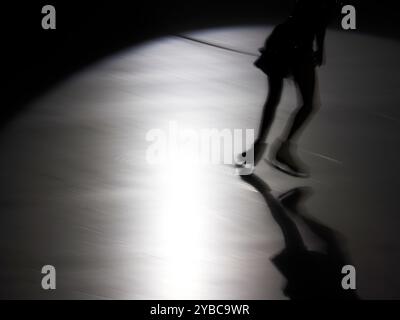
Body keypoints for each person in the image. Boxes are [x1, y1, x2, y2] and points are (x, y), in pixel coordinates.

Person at [245, 0, 338, 177]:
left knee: (273, 99)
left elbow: (310, 15)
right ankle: (283, 149)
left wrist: (318, 46)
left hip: (281, 38)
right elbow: (320, 19)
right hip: (298, 46)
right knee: (308, 104)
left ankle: (258, 147)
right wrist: (319, 48)